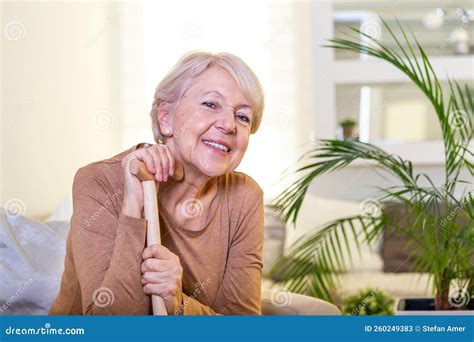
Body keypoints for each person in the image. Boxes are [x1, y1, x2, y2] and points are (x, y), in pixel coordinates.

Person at [49, 51, 265, 315]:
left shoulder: (244, 196)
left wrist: (178, 301)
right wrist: (134, 207)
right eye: (210, 104)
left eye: (243, 116)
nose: (229, 125)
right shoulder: (98, 181)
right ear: (165, 118)